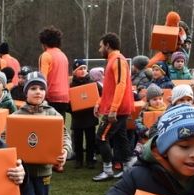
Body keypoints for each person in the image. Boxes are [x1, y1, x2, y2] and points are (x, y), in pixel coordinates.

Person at [7, 72, 71, 195]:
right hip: (24, 171)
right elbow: (6, 137)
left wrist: (65, 151)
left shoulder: (53, 114)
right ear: (25, 92)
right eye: (33, 88)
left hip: (44, 171)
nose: (38, 92)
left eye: (41, 88)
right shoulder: (16, 115)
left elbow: (64, 136)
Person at [92, 33, 135, 182]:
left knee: (101, 137)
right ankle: (128, 167)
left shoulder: (117, 60)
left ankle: (108, 170)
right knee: (121, 136)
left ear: (107, 45)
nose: (99, 50)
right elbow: (109, 88)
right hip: (117, 107)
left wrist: (114, 109)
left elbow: (120, 84)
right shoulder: (113, 60)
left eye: (101, 46)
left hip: (118, 109)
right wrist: (99, 102)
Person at [69, 59, 100, 169]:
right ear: (74, 71)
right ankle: (78, 160)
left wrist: (97, 105)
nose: (83, 71)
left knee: (90, 139)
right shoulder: (71, 85)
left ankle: (90, 160)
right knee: (77, 140)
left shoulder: (93, 83)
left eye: (84, 68)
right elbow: (67, 101)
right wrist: (72, 108)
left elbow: (101, 96)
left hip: (90, 117)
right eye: (80, 69)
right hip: (77, 117)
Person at [38, 26, 70, 119]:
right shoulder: (63, 55)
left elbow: (42, 79)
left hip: (51, 97)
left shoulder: (46, 55)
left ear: (44, 43)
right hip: (64, 98)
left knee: (48, 126)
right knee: (60, 126)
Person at [133, 84, 167, 157]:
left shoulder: (166, 111)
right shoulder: (144, 111)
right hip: (146, 138)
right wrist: (145, 131)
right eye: (154, 99)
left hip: (162, 138)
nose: (158, 101)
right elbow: (137, 122)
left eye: (160, 98)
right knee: (140, 153)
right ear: (149, 100)